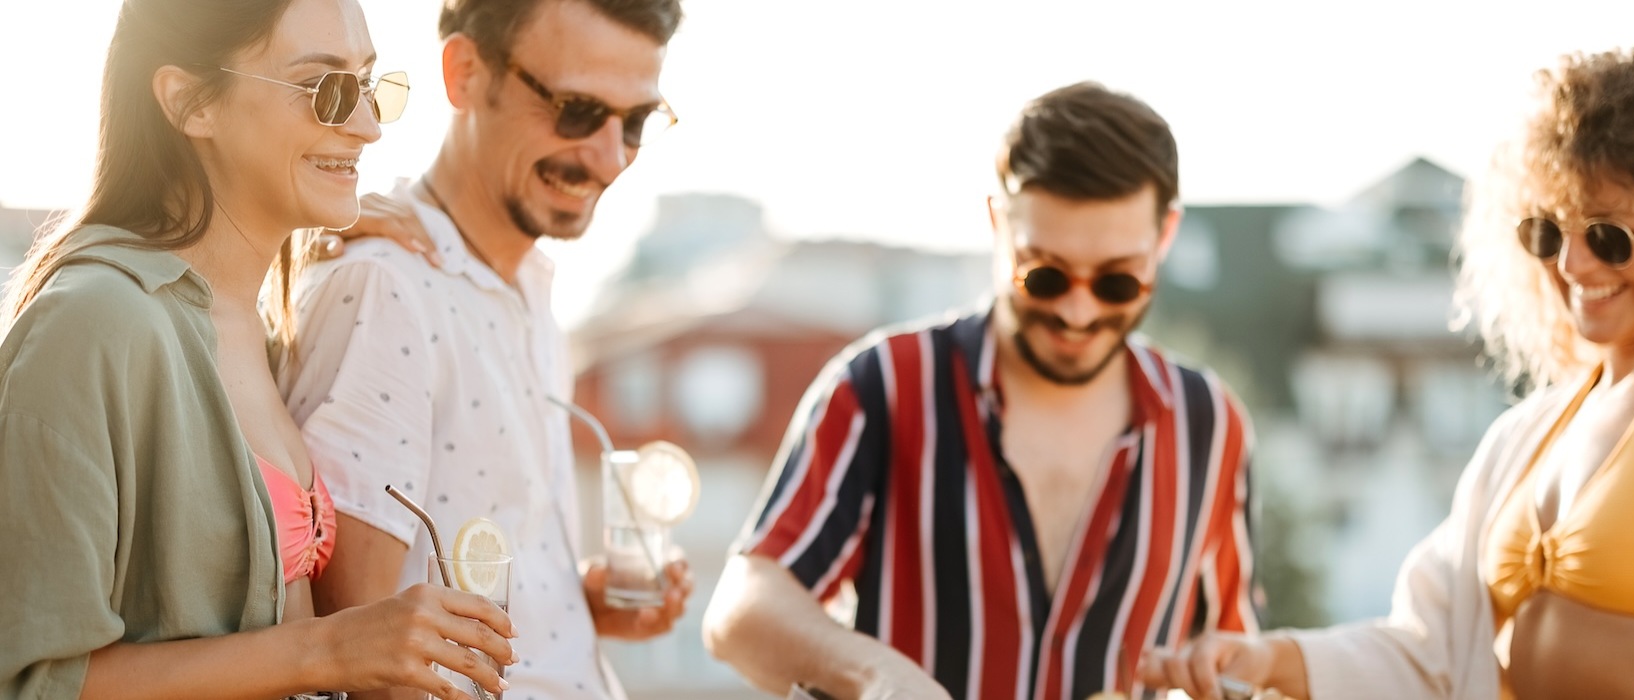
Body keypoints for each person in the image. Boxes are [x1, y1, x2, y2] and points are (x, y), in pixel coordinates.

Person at [1157, 47, 1634, 700]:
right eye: (1548, 234)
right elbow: (1427, 653)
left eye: (1609, 235)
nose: (1572, 265)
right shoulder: (1525, 434)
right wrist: (1272, 660)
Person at [0, 0, 516, 699]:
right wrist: (333, 648)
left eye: (369, 84)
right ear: (189, 103)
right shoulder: (95, 325)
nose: (367, 125)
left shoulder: (261, 325)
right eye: (325, 89)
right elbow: (33, 681)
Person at [702, 82, 1259, 700]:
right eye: (1043, 274)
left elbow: (1231, 656)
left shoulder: (1209, 423)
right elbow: (742, 609)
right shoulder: (884, 387)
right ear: (998, 223)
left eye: (1117, 282)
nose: (1077, 312)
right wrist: (873, 674)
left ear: (1165, 236)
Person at [277, 1, 694, 698]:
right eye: (577, 110)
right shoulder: (387, 291)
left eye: (636, 122)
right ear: (465, 73)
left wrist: (572, 601)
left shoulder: (529, 290)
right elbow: (351, 659)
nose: (610, 156)